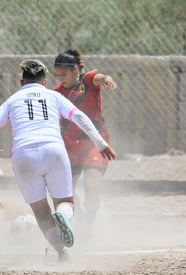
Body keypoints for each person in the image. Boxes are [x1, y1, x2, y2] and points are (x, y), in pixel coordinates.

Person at [0, 59, 116, 259]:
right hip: (53, 150)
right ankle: (62, 215)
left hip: (23, 155)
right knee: (65, 202)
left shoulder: (13, 100)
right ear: (45, 82)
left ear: (21, 82)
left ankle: (62, 253)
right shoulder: (53, 95)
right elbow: (79, 117)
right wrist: (100, 143)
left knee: (41, 211)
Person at [53, 49, 118, 238]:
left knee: (91, 184)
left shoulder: (88, 81)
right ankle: (76, 216)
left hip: (94, 144)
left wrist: (106, 79)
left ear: (75, 69)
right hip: (70, 145)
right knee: (65, 192)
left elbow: (99, 77)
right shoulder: (57, 92)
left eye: (64, 74)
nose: (61, 78)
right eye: (57, 75)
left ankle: (88, 228)